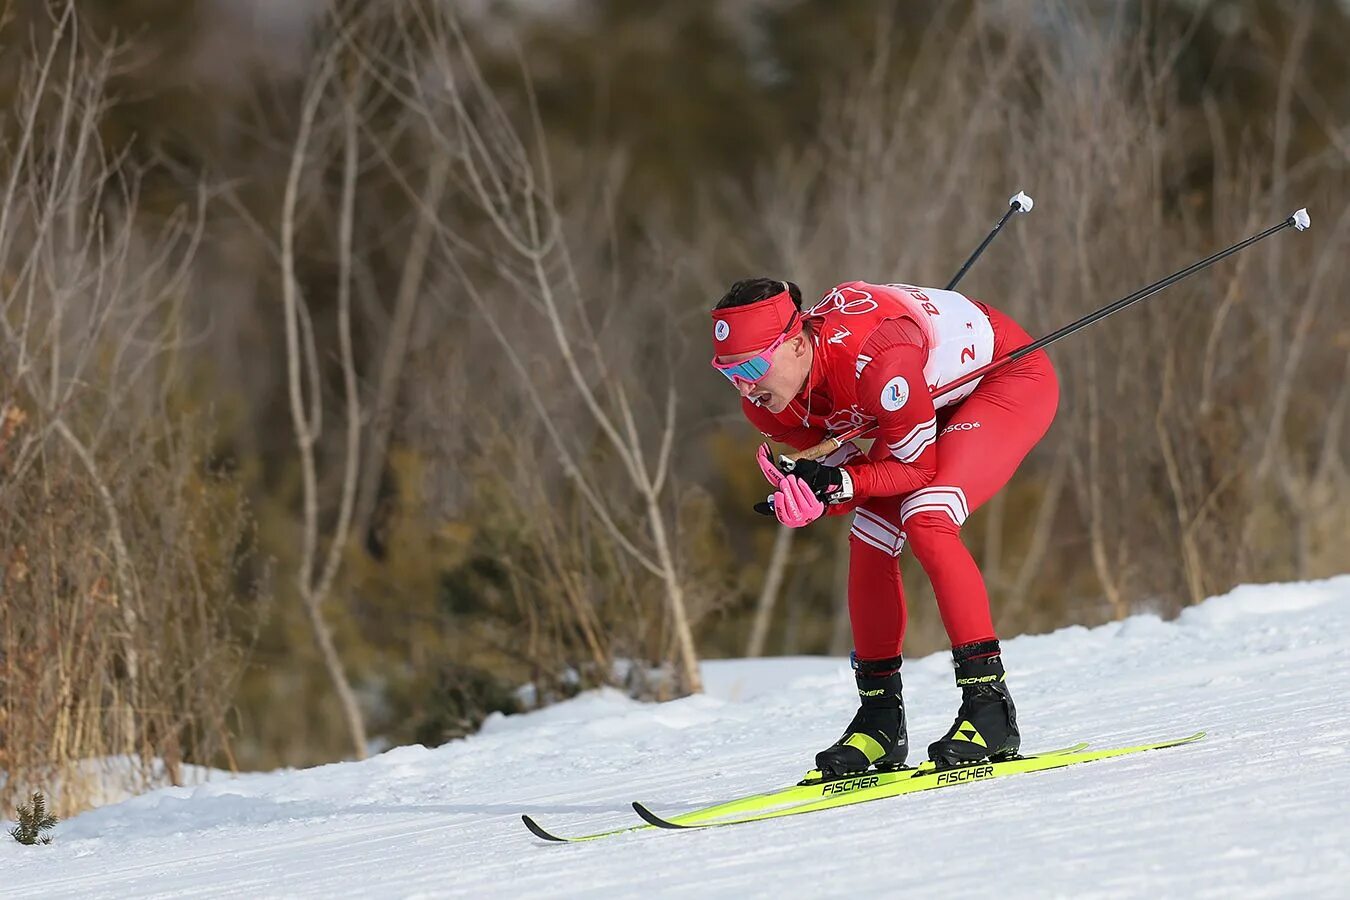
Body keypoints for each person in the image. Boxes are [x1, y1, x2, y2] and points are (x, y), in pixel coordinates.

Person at [710, 278, 1058, 778]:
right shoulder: (768, 401)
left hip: (1003, 380)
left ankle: (990, 708)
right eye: (727, 373)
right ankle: (880, 721)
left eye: (749, 367)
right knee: (870, 537)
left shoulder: (874, 359)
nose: (743, 387)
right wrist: (815, 498)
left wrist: (839, 484)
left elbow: (912, 471)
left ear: (796, 342)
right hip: (919, 402)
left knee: (927, 516)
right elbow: (851, 481)